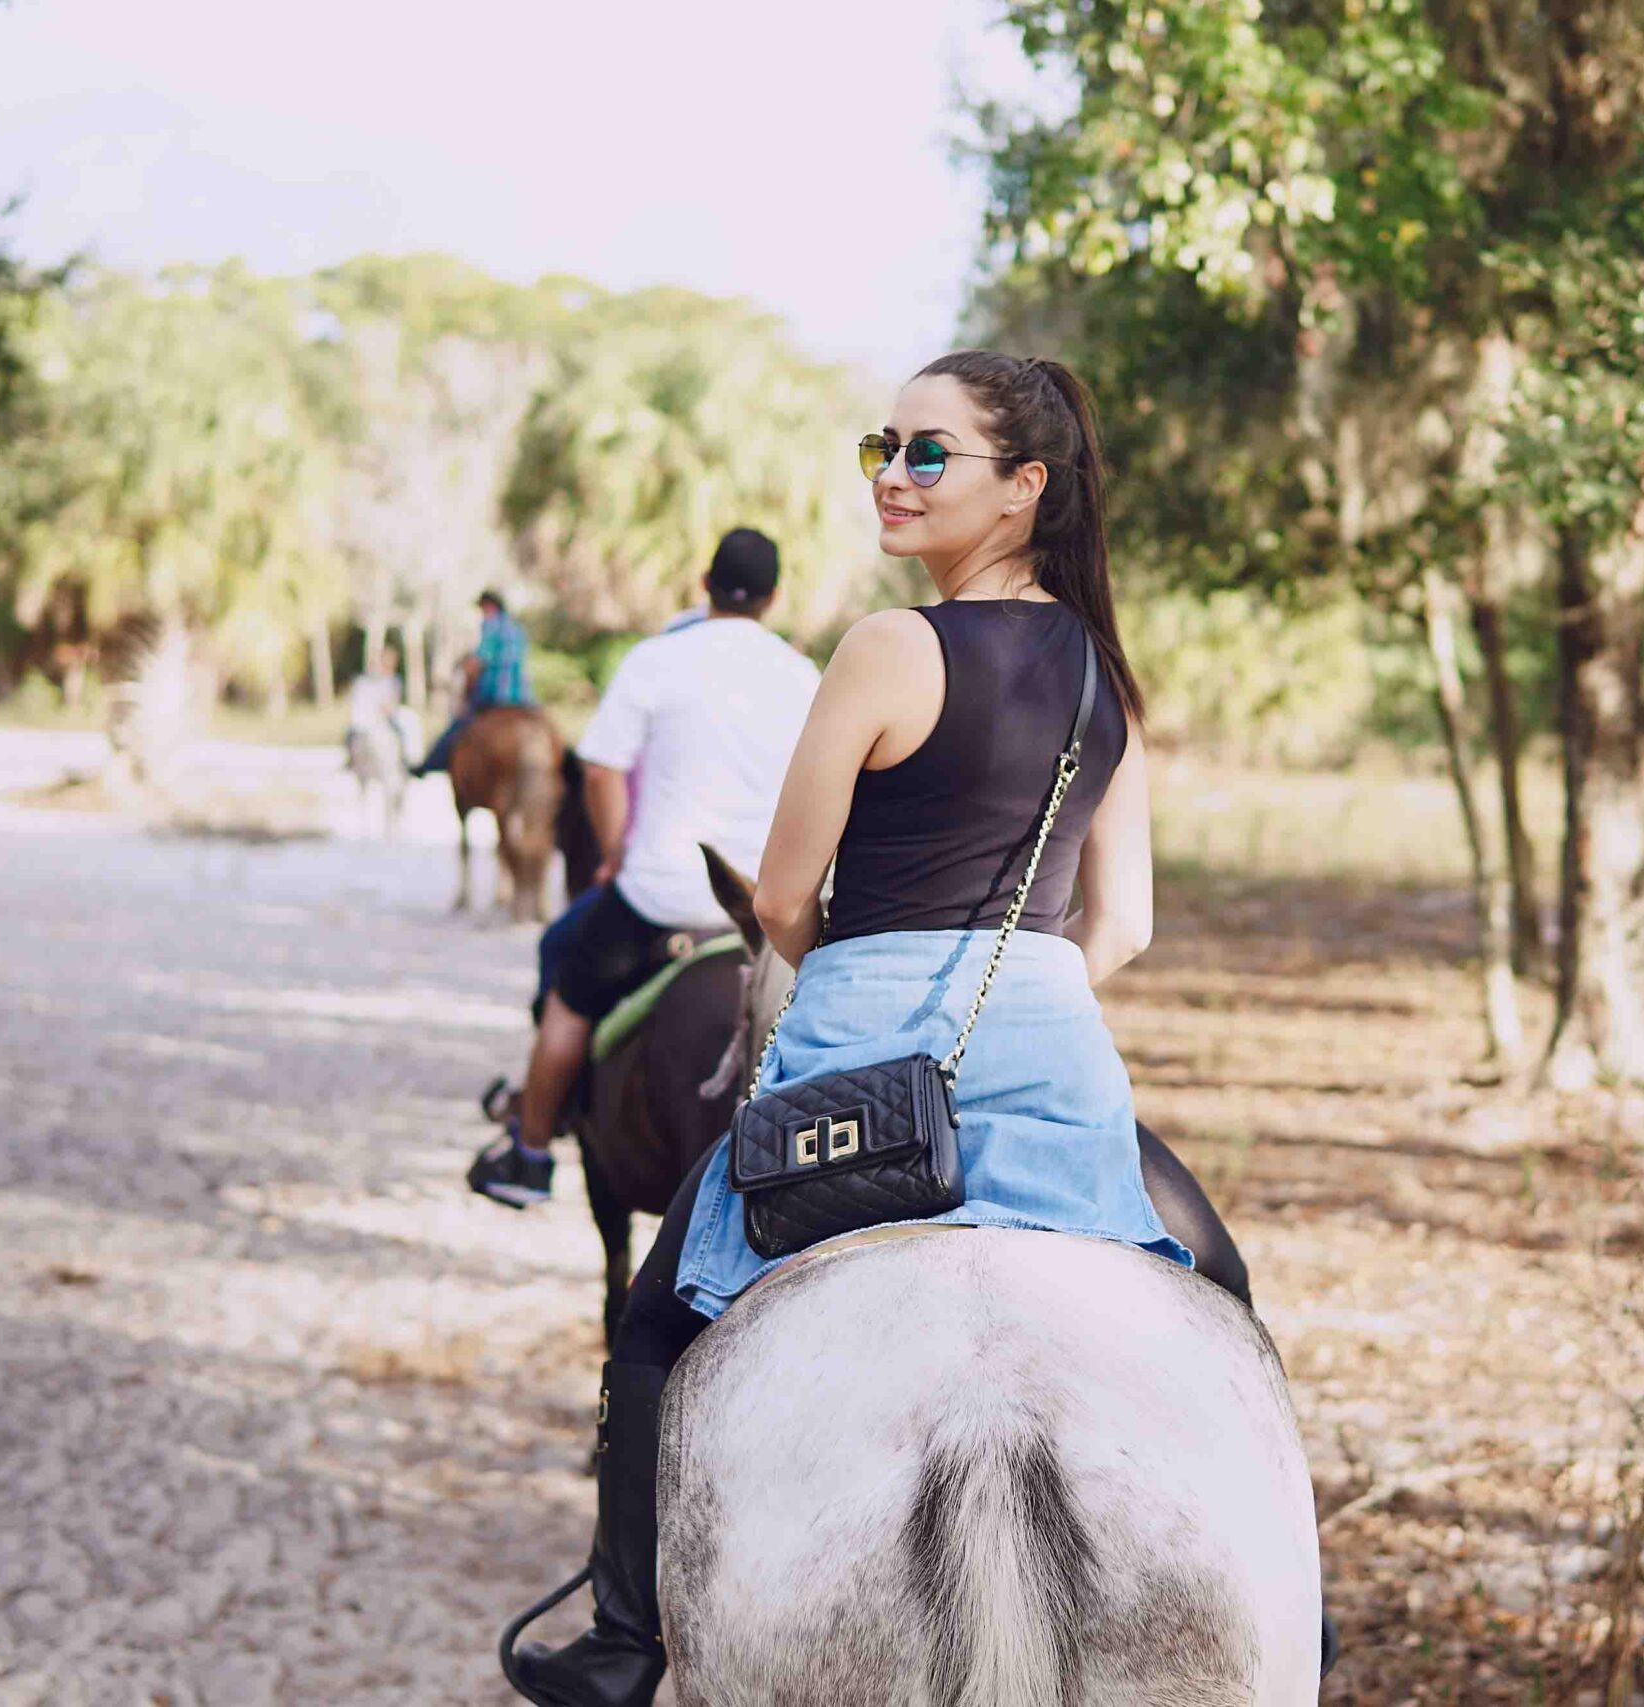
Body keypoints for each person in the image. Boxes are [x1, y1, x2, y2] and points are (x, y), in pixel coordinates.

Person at [496, 351, 1258, 1707]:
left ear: (1024, 487)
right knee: (1224, 1295)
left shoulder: (889, 645)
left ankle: (622, 1639)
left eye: (928, 453)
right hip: (1046, 1047)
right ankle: (1287, 1626)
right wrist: (1021, 983)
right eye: (881, 447)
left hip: (861, 1042)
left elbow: (784, 893)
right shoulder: (1105, 677)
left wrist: (846, 965)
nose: (891, 477)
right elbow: (1124, 927)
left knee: (660, 1325)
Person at [467, 530, 818, 1211]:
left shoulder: (657, 661)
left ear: (702, 583)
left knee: (564, 973)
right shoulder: (803, 677)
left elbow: (600, 768)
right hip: (762, 910)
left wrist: (616, 852)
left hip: (661, 897)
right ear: (774, 598)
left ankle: (531, 1149)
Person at [412, 590, 537, 777]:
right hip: (523, 696)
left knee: (459, 725)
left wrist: (465, 694)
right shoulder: (518, 629)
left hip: (495, 694)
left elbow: (476, 664)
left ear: (489, 606)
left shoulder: (491, 625)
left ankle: (430, 763)